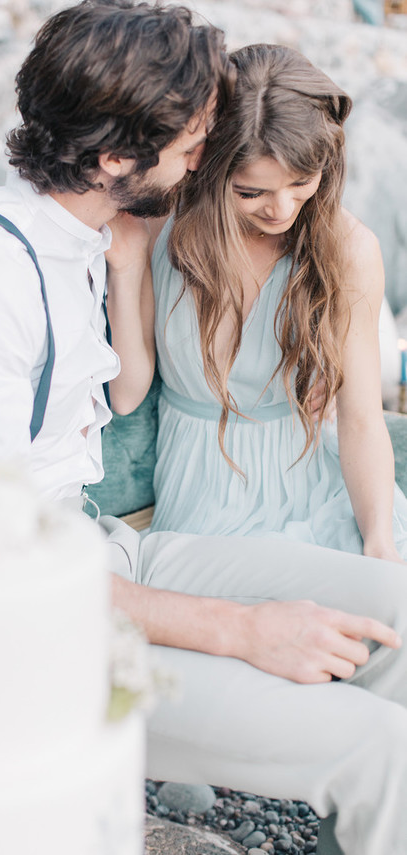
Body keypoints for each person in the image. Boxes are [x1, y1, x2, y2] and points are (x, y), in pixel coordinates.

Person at [0, 5, 407, 854]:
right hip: (25, 647)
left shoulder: (84, 235)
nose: (203, 165)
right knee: (382, 747)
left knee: (398, 612)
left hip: (103, 551)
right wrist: (242, 629)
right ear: (118, 157)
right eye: (197, 148)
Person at [147, 43, 407, 563]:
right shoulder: (162, 225)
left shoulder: (349, 248)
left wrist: (379, 538)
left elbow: (360, 418)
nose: (281, 209)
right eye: (250, 192)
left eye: (301, 183)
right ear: (207, 167)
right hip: (200, 488)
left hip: (312, 482)